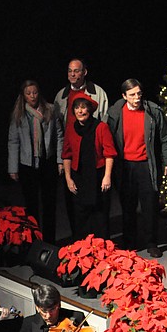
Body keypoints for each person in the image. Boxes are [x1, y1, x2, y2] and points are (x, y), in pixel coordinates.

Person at [106, 79, 167, 258]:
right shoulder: (115, 113)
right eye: (132, 95)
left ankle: (151, 242)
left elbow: (165, 138)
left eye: (138, 93)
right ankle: (129, 242)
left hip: (146, 165)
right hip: (125, 166)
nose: (136, 98)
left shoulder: (152, 111)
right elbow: (108, 139)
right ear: (124, 96)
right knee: (128, 206)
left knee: (150, 205)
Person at [9, 79, 64, 243]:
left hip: (47, 162)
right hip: (28, 164)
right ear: (23, 96)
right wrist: (13, 168)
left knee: (49, 204)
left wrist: (60, 161)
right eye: (28, 93)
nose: (32, 96)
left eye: (34, 92)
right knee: (31, 205)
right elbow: (13, 141)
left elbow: (59, 136)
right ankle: (33, 241)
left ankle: (49, 242)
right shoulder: (19, 114)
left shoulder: (50, 110)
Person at [62, 93, 117, 240]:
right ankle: (83, 250)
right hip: (79, 177)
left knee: (100, 214)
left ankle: (102, 249)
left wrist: (107, 176)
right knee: (81, 216)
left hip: (98, 176)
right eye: (77, 108)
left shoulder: (101, 127)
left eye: (83, 108)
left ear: (90, 110)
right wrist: (68, 178)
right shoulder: (70, 129)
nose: (80, 111)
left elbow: (109, 154)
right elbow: (66, 155)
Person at [53, 59, 110, 125]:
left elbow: (104, 120)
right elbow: (56, 123)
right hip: (68, 135)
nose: (72, 74)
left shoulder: (98, 93)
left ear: (84, 72)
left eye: (76, 71)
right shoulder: (61, 95)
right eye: (70, 71)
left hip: (90, 135)